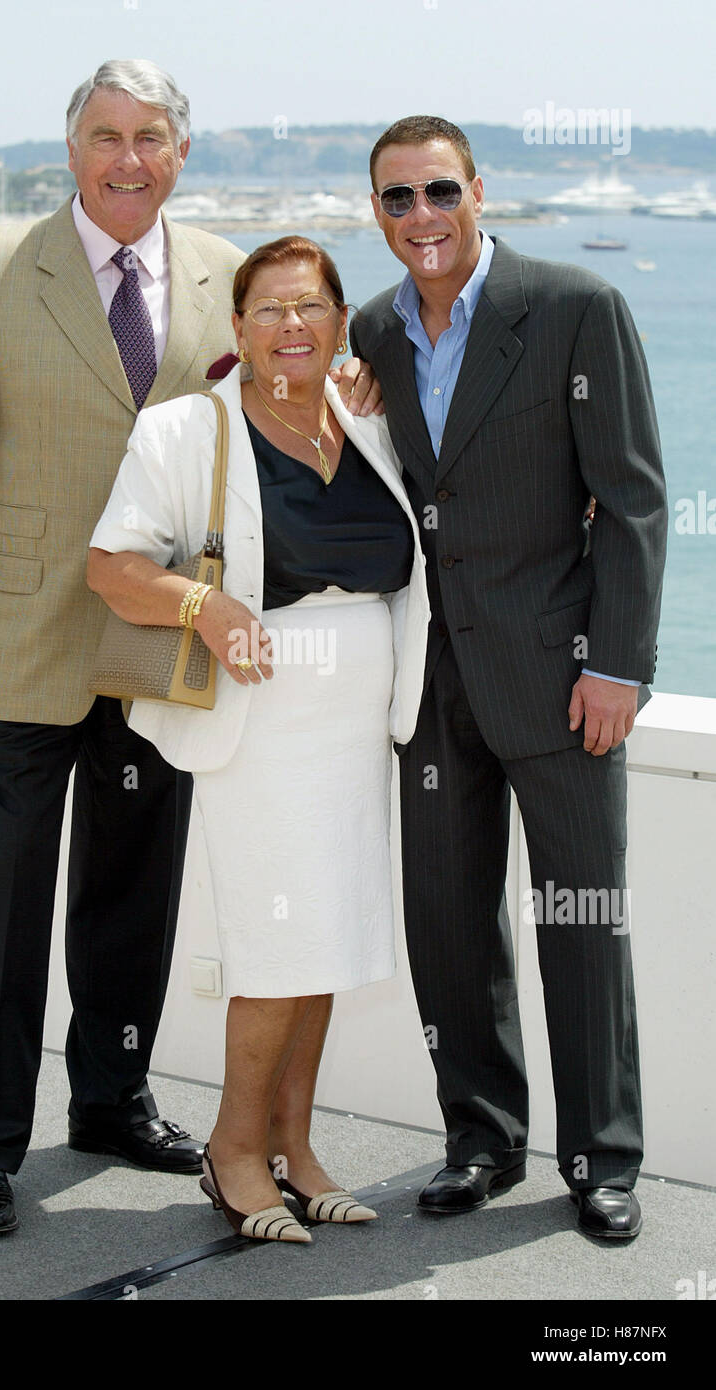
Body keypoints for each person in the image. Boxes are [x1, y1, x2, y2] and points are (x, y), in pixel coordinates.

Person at [0, 58, 377, 1238]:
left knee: (133, 893)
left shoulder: (223, 276)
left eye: (150, 138)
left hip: (162, 646)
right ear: (70, 150)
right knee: (6, 903)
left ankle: (109, 1098)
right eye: (105, 136)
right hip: (24, 645)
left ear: (181, 153)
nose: (127, 159)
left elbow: (279, 382)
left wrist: (354, 386)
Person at [350, 116, 668, 1241]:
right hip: (426, 683)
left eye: (438, 191)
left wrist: (617, 666)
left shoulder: (575, 308)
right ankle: (478, 1139)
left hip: (559, 677)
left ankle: (599, 1157)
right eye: (396, 200)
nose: (420, 217)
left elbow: (630, 502)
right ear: (376, 212)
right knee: (447, 924)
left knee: (578, 917)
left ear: (477, 190)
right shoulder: (371, 331)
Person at [88, 236, 429, 1243]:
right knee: (276, 945)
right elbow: (112, 568)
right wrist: (204, 605)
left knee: (323, 938)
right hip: (261, 729)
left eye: (310, 307)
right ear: (236, 328)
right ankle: (234, 1152)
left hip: (355, 732)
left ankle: (296, 1143)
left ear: (338, 325)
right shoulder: (188, 430)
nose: (291, 325)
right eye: (269, 309)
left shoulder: (367, 421)